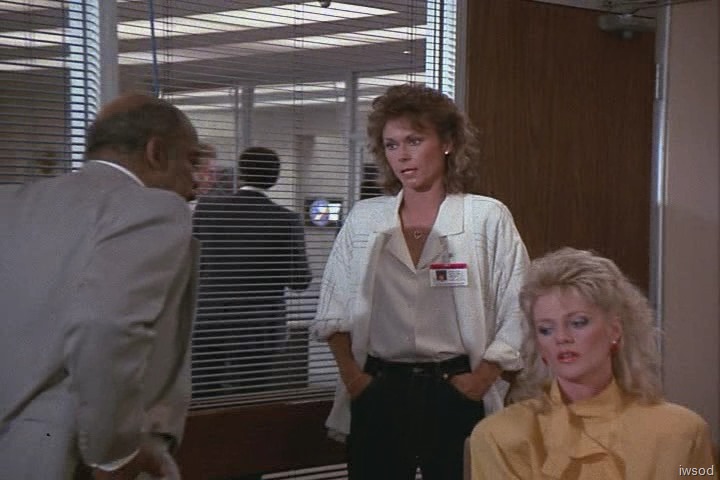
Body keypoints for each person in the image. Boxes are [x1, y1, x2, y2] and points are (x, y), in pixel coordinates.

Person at [310, 83, 529, 480]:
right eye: (391, 145)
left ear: (447, 143)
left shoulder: (485, 217)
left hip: (454, 387)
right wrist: (354, 379)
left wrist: (482, 378)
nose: (402, 155)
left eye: (414, 140)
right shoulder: (366, 219)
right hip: (379, 386)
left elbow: (519, 302)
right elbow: (333, 307)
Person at [0, 94, 201, 480]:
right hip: (67, 458)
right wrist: (116, 452)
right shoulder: (152, 208)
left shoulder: (11, 204)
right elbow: (105, 326)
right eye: (191, 161)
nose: (195, 182)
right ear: (156, 152)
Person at [469, 247, 718, 479]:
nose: (561, 337)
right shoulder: (501, 436)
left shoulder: (683, 433)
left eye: (578, 323)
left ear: (615, 330)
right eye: (546, 329)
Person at [193, 146, 312, 396]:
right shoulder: (285, 220)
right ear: (275, 177)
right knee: (252, 395)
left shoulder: (207, 209)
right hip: (258, 326)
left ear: (241, 173)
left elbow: (195, 265)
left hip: (209, 320)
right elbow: (299, 280)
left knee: (204, 395)